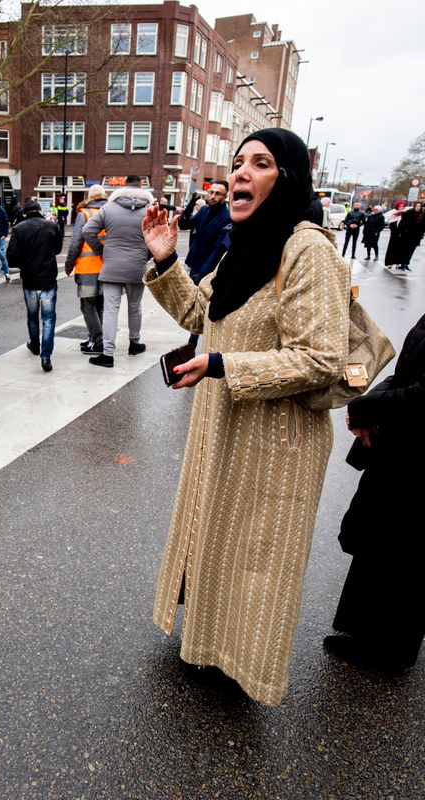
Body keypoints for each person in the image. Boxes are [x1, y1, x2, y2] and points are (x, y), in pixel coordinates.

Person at [140, 128, 351, 706]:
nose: (240, 173)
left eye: (260, 163)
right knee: (217, 534)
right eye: (237, 162)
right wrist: (165, 257)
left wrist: (221, 365)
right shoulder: (245, 246)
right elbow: (200, 313)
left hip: (276, 438)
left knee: (256, 553)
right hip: (226, 423)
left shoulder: (308, 251)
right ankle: (211, 644)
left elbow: (321, 357)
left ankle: (243, 662)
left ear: (288, 179)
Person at [324, 312, 425, 672]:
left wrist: (366, 407)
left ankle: (390, 651)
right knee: (381, 537)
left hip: (417, 455)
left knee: (404, 549)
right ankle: (365, 632)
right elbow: (407, 374)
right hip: (403, 445)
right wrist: (366, 406)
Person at [82, 174, 154, 368]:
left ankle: (107, 354)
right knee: (135, 307)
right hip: (137, 266)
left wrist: (101, 251)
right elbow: (156, 238)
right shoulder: (149, 210)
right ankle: (134, 344)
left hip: (112, 266)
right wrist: (145, 255)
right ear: (141, 187)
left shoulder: (109, 208)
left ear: (123, 186)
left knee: (111, 311)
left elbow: (87, 231)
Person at [6, 199, 63, 372]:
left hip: (29, 279)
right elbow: (58, 249)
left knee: (32, 316)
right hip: (48, 278)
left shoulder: (19, 229)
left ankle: (35, 345)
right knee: (49, 318)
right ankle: (46, 356)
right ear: (39, 211)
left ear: (25, 213)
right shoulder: (52, 226)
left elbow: (11, 257)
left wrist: (26, 262)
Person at [177, 182, 232, 349]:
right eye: (211, 192)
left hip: (211, 267)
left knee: (207, 304)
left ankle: (196, 342)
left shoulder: (227, 216)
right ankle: (193, 340)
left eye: (218, 193)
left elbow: (218, 248)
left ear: (225, 196)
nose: (213, 196)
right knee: (194, 302)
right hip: (196, 261)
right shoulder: (204, 210)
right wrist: (190, 205)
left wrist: (204, 272)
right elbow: (184, 224)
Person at [64, 184, 107, 354]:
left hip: (88, 269)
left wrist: (68, 265)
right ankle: (95, 338)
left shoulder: (85, 214)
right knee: (100, 306)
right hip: (107, 268)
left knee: (88, 307)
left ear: (90, 197)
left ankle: (97, 341)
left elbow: (76, 243)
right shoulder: (110, 212)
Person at [393, 201, 425, 272]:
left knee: (411, 251)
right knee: (404, 250)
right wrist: (402, 232)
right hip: (407, 235)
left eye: (419, 206)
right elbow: (402, 223)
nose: (418, 207)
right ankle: (402, 264)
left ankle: (406, 264)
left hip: (416, 236)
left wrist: (422, 233)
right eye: (417, 206)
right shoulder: (408, 213)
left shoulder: (422, 214)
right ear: (414, 206)